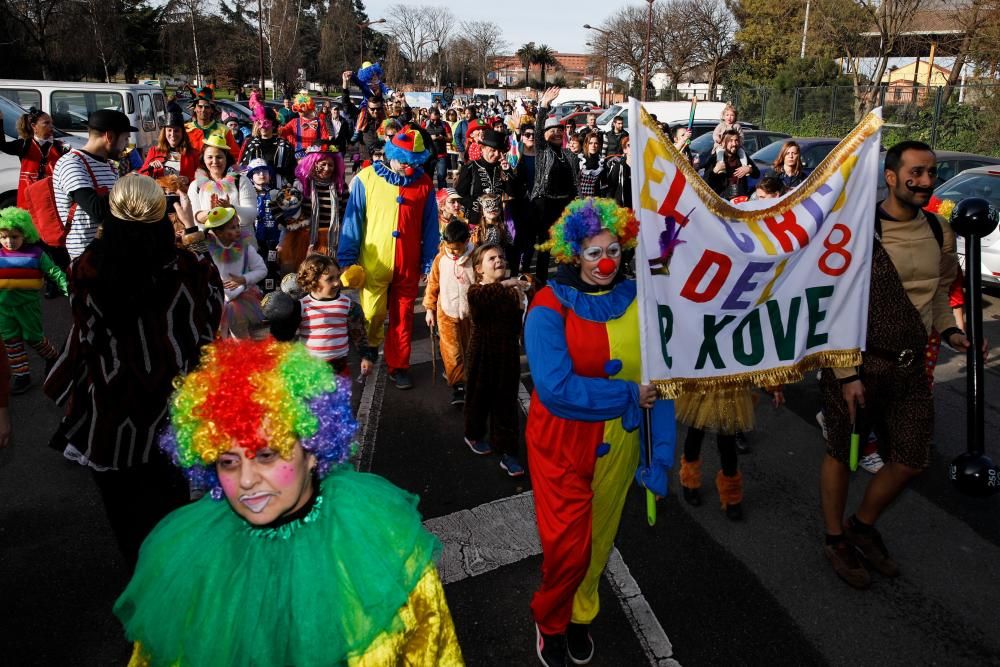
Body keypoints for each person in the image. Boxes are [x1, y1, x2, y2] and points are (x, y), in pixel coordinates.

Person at [113, 338, 464, 666]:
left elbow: (436, 651)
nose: (247, 480)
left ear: (313, 450)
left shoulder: (381, 545)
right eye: (228, 461)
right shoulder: (190, 560)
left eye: (266, 454)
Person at [817, 141, 974, 591]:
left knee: (910, 459)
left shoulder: (940, 230)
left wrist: (952, 333)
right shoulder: (858, 231)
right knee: (840, 454)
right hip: (857, 366)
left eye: (931, 172)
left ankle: (861, 526)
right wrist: (846, 374)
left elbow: (940, 293)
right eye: (917, 172)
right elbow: (834, 304)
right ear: (890, 176)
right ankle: (834, 539)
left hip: (910, 367)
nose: (926, 181)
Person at [45, 174, 224, 569]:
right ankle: (171, 589)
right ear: (162, 216)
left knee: (127, 521)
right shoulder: (189, 268)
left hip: (111, 411)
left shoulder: (86, 269)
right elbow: (210, 323)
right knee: (171, 509)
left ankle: (141, 590)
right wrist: (193, 233)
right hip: (172, 410)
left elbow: (86, 334)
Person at [525, 198, 673, 666]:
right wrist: (628, 394)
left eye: (613, 250)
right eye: (594, 253)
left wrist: (660, 455)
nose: (606, 261)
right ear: (573, 254)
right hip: (563, 444)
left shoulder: (639, 298)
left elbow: (663, 380)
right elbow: (554, 388)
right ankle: (549, 618)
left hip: (623, 443)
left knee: (601, 537)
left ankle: (581, 615)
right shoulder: (547, 307)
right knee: (567, 547)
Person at [338, 128, 438, 391]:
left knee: (403, 318)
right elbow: (352, 222)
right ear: (392, 153)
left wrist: (430, 261)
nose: (408, 165)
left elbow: (430, 226)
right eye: (404, 159)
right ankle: (369, 352)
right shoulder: (366, 178)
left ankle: (399, 366)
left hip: (408, 264)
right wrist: (347, 258)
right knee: (371, 313)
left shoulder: (424, 183)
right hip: (373, 263)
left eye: (413, 161)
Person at [463, 243, 531, 477]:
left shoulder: (512, 290)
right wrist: (508, 285)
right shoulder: (476, 291)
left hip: (508, 354)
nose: (499, 260)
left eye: (501, 257)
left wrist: (524, 294)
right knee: (478, 398)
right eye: (492, 258)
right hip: (482, 353)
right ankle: (473, 434)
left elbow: (518, 320)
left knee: (506, 404)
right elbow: (485, 299)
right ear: (479, 269)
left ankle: (509, 452)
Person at [274, 254, 376, 378]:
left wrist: (366, 357)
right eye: (330, 279)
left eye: (338, 276)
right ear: (313, 281)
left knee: (336, 397)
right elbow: (284, 337)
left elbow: (359, 335)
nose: (336, 283)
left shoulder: (348, 305)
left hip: (338, 366)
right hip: (310, 367)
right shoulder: (301, 306)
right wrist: (280, 316)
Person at [0, 207, 67, 394]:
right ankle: (22, 375)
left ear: (25, 234)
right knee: (10, 340)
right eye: (4, 237)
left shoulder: (36, 254)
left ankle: (53, 357)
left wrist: (69, 289)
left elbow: (54, 272)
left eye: (14, 237)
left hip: (28, 306)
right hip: (4, 308)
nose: (9, 241)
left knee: (33, 337)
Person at [52, 109, 128, 259]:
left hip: (108, 251)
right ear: (110, 136)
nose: (126, 146)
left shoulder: (110, 165)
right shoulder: (72, 163)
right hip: (84, 256)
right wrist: (130, 188)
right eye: (125, 139)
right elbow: (96, 210)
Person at [424, 219, 475, 406]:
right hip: (446, 312)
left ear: (467, 242)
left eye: (457, 248)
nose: (453, 252)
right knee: (452, 352)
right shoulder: (440, 259)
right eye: (449, 247)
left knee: (470, 348)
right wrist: (429, 308)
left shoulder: (475, 256)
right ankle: (458, 386)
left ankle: (473, 378)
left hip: (472, 314)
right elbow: (433, 285)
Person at [531, 87, 579, 285]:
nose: (558, 133)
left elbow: (575, 182)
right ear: (545, 134)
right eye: (553, 131)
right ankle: (541, 282)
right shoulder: (543, 151)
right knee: (545, 245)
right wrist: (544, 105)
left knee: (566, 245)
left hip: (564, 205)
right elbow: (537, 130)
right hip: (545, 204)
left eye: (560, 130)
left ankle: (564, 280)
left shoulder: (569, 155)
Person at [203, 206, 266, 340]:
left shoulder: (245, 247)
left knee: (241, 335)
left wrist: (243, 279)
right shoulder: (208, 249)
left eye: (238, 226)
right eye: (232, 228)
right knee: (219, 339)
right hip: (218, 298)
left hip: (243, 297)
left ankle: (244, 355)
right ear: (219, 232)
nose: (238, 230)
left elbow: (262, 270)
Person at [188, 134, 257, 237]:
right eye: (210, 157)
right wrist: (211, 213)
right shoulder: (195, 186)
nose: (214, 162)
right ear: (203, 159)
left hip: (241, 244)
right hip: (211, 244)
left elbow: (251, 215)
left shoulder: (241, 181)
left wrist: (231, 208)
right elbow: (195, 218)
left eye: (219, 157)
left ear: (226, 158)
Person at [0, 107, 70, 208]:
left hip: (52, 202)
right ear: (34, 126)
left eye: (51, 123)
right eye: (46, 123)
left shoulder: (60, 147)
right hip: (28, 202)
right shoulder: (24, 145)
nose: (51, 127)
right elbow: (2, 145)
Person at [455, 128, 517, 227]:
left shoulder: (501, 168)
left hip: (497, 222)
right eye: (492, 150)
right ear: (482, 148)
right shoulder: (470, 168)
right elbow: (459, 194)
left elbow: (512, 192)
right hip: (475, 221)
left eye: (499, 151)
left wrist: (508, 172)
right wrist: (477, 205)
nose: (496, 154)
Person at [246, 159, 283, 294]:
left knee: (270, 268)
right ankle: (255, 295)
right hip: (253, 239)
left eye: (265, 171)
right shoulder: (247, 195)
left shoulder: (277, 193)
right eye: (257, 172)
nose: (262, 174)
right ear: (250, 176)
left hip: (273, 239)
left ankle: (270, 297)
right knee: (254, 266)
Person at [239, 104, 295, 186]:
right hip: (254, 187)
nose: (263, 127)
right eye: (259, 123)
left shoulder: (284, 145)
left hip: (279, 187)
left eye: (266, 123)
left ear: (273, 125)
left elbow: (291, 169)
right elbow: (243, 166)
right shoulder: (250, 143)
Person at [139, 110, 199, 181]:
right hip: (158, 191)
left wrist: (188, 180)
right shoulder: (154, 151)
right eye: (169, 130)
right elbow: (141, 176)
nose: (173, 134)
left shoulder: (193, 154)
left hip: (183, 191)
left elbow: (201, 179)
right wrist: (150, 167)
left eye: (176, 131)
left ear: (182, 133)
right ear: (164, 133)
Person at [701, 129, 760, 200]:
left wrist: (749, 169)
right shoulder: (715, 159)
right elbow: (705, 183)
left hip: (740, 199)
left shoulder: (742, 157)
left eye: (736, 140)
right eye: (730, 141)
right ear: (723, 143)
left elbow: (757, 174)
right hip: (722, 200)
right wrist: (715, 170)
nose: (734, 144)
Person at [185, 87, 240, 154]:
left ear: (212, 110)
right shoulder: (186, 129)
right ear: (194, 109)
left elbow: (236, 155)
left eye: (207, 107)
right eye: (200, 106)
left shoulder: (224, 130)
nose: (203, 110)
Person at [423, 107, 453, 188]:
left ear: (439, 116)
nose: (435, 122)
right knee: (428, 178)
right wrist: (429, 137)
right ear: (429, 117)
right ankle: (429, 197)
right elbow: (420, 138)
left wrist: (442, 137)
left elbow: (450, 139)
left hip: (441, 156)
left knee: (441, 177)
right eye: (433, 120)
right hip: (429, 156)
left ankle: (442, 198)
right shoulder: (425, 124)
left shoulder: (444, 124)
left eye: (437, 119)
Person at [711, 103, 748, 169]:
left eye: (732, 115)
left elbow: (741, 137)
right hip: (720, 145)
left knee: (741, 152)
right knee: (719, 151)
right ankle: (721, 165)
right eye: (727, 115)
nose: (729, 117)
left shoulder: (737, 126)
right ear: (724, 116)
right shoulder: (721, 125)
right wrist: (719, 141)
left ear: (735, 117)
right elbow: (715, 134)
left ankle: (744, 165)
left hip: (735, 147)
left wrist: (738, 144)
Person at [576, 133, 605, 198]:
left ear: (599, 145)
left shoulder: (601, 162)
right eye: (590, 143)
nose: (593, 146)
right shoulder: (580, 159)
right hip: (580, 200)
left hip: (596, 199)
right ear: (586, 144)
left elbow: (604, 184)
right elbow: (575, 182)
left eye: (596, 143)